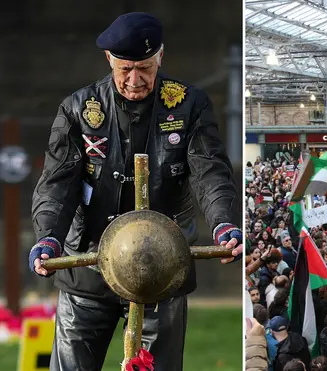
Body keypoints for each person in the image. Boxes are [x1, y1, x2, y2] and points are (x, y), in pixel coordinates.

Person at [28, 12, 242, 371]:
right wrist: (48, 237)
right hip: (87, 267)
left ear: (161, 56)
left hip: (161, 268)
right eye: (125, 68)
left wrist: (224, 225)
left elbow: (210, 173)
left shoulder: (190, 104)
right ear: (109, 60)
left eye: (144, 67)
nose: (134, 79)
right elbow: (57, 183)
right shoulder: (79, 109)